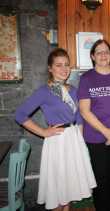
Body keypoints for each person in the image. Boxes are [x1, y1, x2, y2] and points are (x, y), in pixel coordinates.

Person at [15, 48, 97, 211]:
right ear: (50, 68)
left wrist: (80, 144)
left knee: (69, 187)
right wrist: (44, 132)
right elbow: (20, 114)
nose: (64, 69)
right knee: (58, 188)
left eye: (66, 65)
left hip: (73, 140)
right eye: (58, 65)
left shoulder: (73, 90)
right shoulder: (44, 92)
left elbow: (79, 117)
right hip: (58, 142)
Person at [78, 39, 110, 211]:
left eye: (106, 52)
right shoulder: (86, 79)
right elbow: (85, 111)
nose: (103, 55)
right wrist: (107, 133)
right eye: (98, 52)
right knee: (100, 178)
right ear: (93, 56)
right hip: (95, 136)